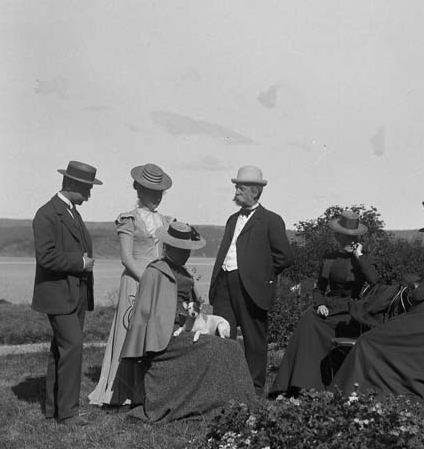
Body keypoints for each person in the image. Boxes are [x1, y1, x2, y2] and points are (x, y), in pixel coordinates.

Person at [330, 202, 424, 424]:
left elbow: (419, 296)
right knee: (380, 343)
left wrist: (412, 288)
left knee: (369, 342)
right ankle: (365, 396)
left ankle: (347, 397)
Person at [118, 221, 256, 422]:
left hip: (186, 330)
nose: (186, 254)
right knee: (217, 348)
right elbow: (143, 311)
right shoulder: (155, 271)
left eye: (188, 249)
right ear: (168, 247)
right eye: (181, 249)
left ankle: (240, 404)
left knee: (231, 347)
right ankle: (221, 404)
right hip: (164, 337)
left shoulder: (184, 273)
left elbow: (195, 309)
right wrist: (142, 347)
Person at [88, 163, 173, 407]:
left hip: (157, 282)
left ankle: (148, 390)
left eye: (159, 193)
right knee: (130, 330)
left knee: (153, 331)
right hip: (136, 281)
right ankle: (120, 389)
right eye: (151, 192)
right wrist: (147, 279)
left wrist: (161, 280)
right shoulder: (129, 219)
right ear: (139, 189)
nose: (156, 198)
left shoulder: (166, 220)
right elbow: (126, 257)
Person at [270, 210, 379, 395]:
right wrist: (320, 304)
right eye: (346, 237)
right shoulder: (329, 258)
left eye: (353, 237)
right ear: (338, 237)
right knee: (307, 320)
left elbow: (374, 280)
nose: (350, 241)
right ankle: (298, 383)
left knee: (326, 326)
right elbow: (318, 289)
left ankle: (321, 384)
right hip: (329, 307)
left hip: (351, 311)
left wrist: (359, 256)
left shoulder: (364, 258)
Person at [209, 165, 293, 395]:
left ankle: (254, 389)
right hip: (224, 283)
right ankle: (222, 387)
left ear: (255, 191)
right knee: (221, 335)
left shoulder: (271, 220)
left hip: (252, 288)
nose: (236, 191)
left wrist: (260, 275)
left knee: (254, 339)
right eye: (236, 187)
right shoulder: (231, 219)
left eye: (241, 187)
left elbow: (284, 257)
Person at [32, 160, 102, 426]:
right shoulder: (47, 214)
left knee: (60, 350)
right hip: (59, 295)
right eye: (87, 189)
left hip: (76, 293)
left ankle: (54, 409)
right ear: (71, 184)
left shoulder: (72, 212)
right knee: (72, 346)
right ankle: (69, 413)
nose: (89, 195)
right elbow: (46, 257)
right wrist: (80, 263)